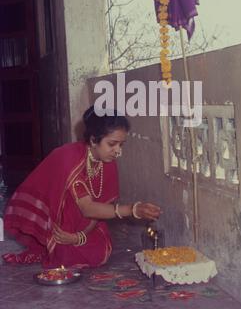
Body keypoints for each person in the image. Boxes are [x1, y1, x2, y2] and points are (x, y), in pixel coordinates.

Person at [2, 107, 161, 268]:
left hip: (86, 220)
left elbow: (99, 210)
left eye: (121, 145)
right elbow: (87, 208)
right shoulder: (69, 158)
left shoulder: (108, 162)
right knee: (65, 258)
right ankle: (52, 242)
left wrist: (81, 236)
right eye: (112, 144)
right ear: (93, 140)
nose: (118, 151)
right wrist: (133, 209)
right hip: (59, 212)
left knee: (100, 253)